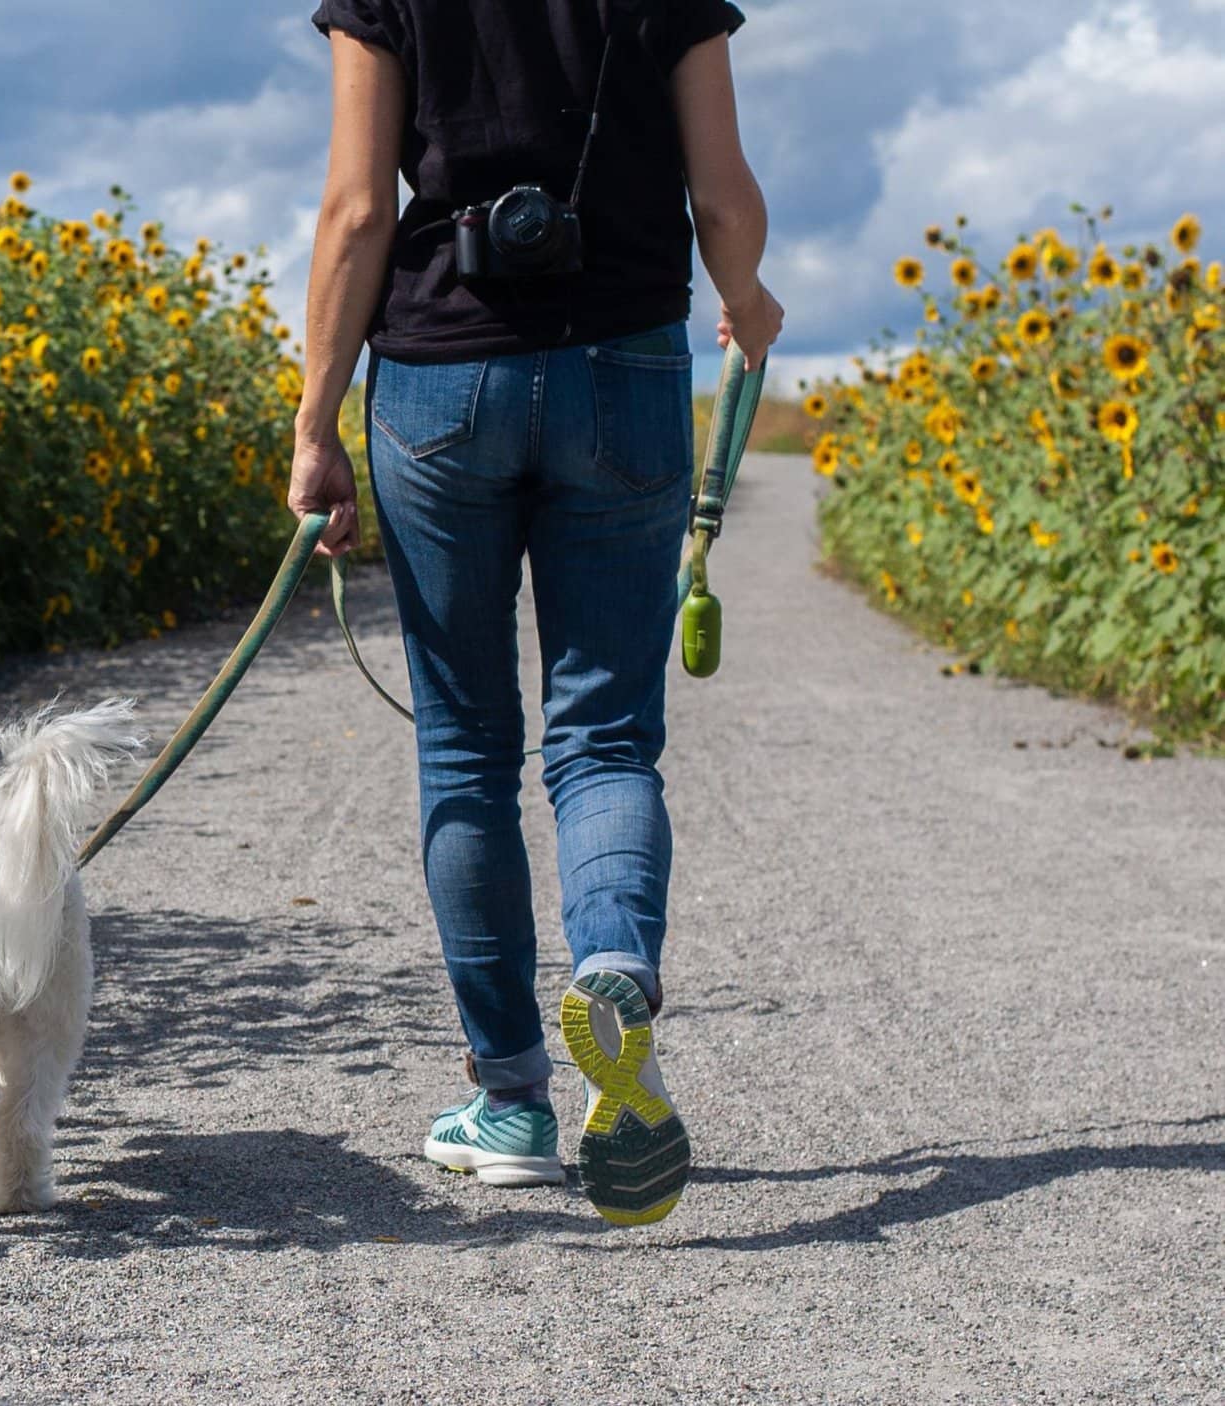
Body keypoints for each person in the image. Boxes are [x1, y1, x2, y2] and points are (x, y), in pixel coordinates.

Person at [293, 0, 781, 1226]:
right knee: (605, 736)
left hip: (438, 373)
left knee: (463, 744)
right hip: (624, 364)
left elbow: (357, 209)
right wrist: (747, 295)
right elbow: (720, 191)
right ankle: (614, 964)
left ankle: (510, 1102)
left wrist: (315, 420)